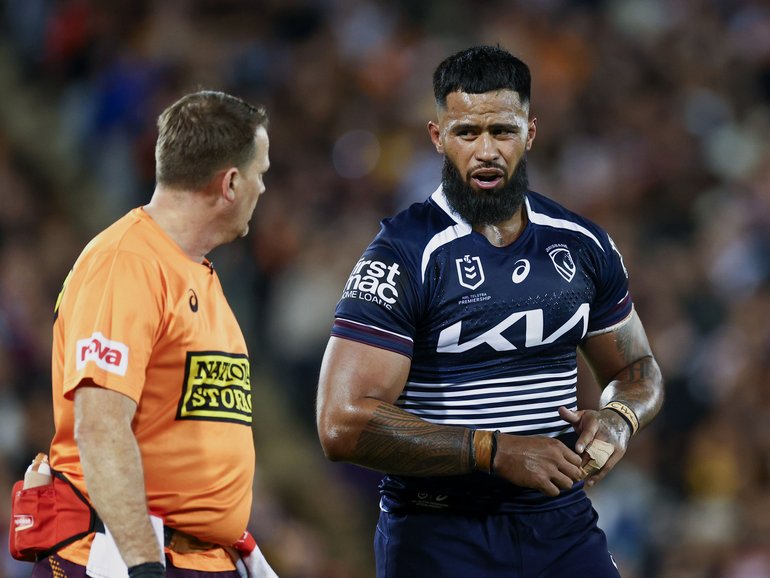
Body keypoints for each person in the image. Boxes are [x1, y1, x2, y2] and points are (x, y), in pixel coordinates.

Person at [316, 45, 664, 578]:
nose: (486, 151)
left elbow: (637, 368)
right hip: (438, 530)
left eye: (502, 131)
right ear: (437, 137)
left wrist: (619, 419)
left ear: (530, 133)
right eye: (466, 133)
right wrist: (494, 451)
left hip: (560, 522)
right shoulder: (402, 255)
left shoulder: (582, 244)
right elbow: (340, 423)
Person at [30, 91, 278, 578]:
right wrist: (144, 566)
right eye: (260, 173)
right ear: (230, 183)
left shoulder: (195, 272)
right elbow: (100, 427)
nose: (263, 188)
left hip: (197, 558)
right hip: (123, 556)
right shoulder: (127, 263)